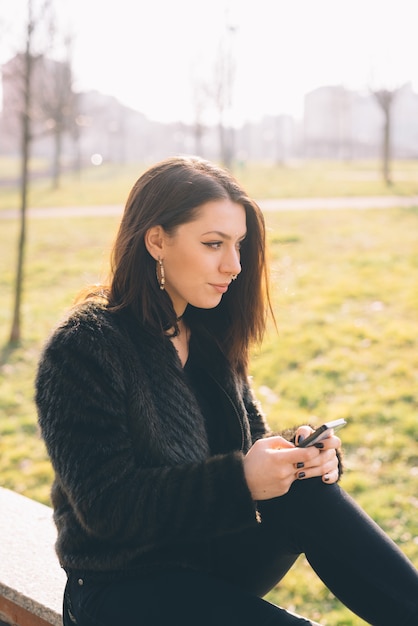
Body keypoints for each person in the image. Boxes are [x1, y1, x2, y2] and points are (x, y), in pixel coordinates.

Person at [35, 156, 418, 626]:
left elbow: (248, 448)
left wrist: (298, 456)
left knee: (307, 492)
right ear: (157, 240)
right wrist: (241, 481)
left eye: (238, 244)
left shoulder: (209, 333)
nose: (234, 265)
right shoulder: (84, 346)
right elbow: (105, 508)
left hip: (214, 558)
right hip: (121, 586)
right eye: (213, 244)